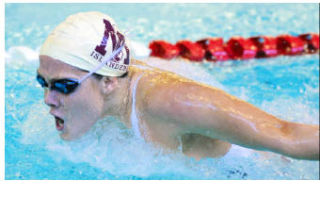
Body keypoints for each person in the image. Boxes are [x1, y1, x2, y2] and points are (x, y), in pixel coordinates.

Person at [37, 11, 319, 161]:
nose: (48, 99)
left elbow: (287, 136)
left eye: (63, 86)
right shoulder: (96, 99)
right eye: (43, 82)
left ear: (108, 82)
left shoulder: (172, 103)